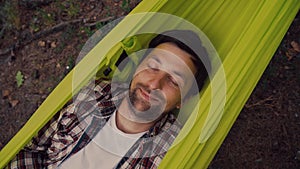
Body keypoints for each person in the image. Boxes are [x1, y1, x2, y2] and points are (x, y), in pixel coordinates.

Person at [6, 30, 211, 169]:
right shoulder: (92, 95)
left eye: (173, 81)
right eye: (153, 66)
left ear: (182, 101)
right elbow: (33, 149)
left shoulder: (172, 150)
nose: (154, 84)